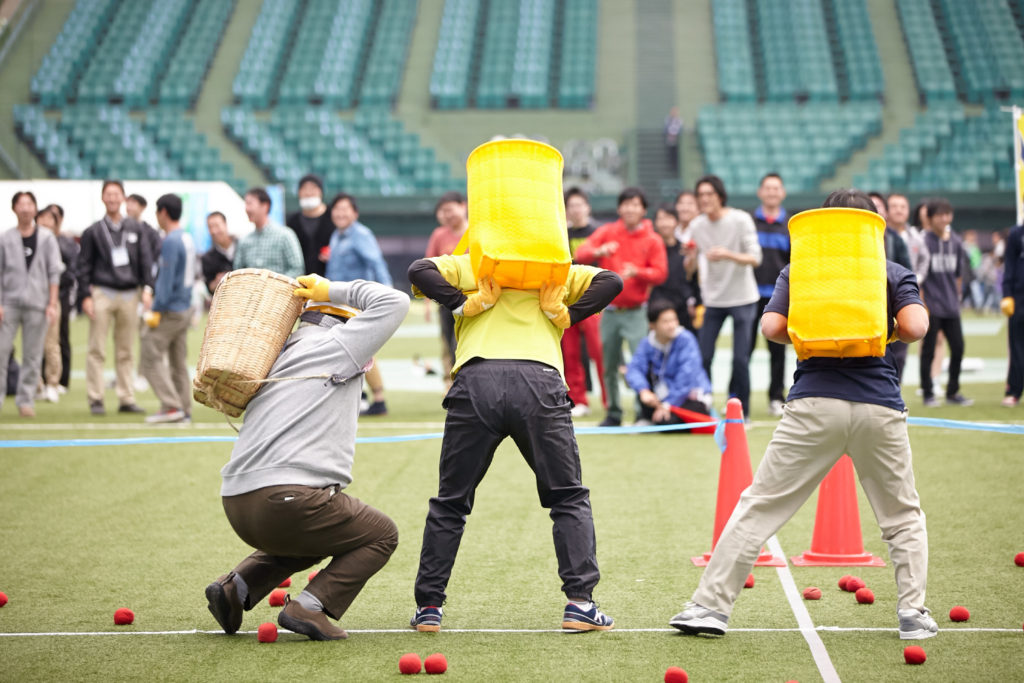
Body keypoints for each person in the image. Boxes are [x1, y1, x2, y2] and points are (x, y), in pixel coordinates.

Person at [668, 189, 937, 642]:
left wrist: (818, 330)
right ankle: (912, 613)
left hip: (814, 402)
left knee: (759, 506)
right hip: (878, 404)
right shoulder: (892, 273)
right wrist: (873, 333)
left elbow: (771, 328)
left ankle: (710, 608)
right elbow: (915, 327)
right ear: (873, 228)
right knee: (902, 516)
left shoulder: (801, 273)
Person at [406, 250, 622, 633]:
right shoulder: (553, 267)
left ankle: (429, 607)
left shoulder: (473, 263)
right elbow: (612, 281)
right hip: (539, 380)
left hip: (476, 379)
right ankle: (580, 604)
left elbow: (419, 270)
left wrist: (462, 304)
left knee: (451, 501)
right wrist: (568, 315)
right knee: (567, 496)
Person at [204, 273, 409, 641]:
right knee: (381, 534)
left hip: (237, 503)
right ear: (348, 322)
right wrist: (332, 290)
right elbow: (396, 301)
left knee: (318, 534)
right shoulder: (338, 345)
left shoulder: (278, 356)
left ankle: (237, 586)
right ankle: (309, 607)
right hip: (285, 502)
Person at [575, 187, 668, 426]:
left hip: (637, 312)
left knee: (640, 362)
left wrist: (639, 272)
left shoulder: (652, 239)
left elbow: (660, 273)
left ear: (643, 209)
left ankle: (641, 412)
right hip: (609, 310)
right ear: (619, 208)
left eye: (635, 204)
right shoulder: (607, 232)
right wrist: (599, 250)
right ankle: (614, 412)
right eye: (626, 204)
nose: (630, 208)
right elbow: (581, 252)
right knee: (608, 362)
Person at [687, 175, 762, 417]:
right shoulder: (697, 226)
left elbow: (755, 258)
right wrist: (689, 259)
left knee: (740, 359)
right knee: (704, 356)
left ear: (720, 196)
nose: (705, 199)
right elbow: (692, 267)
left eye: (709, 194)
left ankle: (742, 412)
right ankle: (705, 409)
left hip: (743, 297)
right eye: (701, 195)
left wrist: (728, 254)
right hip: (713, 299)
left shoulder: (740, 219)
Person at [76, 180, 153, 415]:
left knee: (126, 349)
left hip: (130, 294)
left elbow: (145, 260)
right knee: (96, 348)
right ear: (102, 198)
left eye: (116, 194)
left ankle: (126, 398)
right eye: (108, 194)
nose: (112, 198)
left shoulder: (136, 229)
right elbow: (83, 265)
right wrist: (85, 296)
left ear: (123, 198)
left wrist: (148, 288)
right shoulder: (93, 231)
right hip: (102, 292)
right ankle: (96, 398)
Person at [324, 193, 393, 416]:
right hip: (340, 302)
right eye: (337, 209)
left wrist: (387, 294)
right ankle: (361, 396)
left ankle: (379, 400)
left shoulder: (361, 235)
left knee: (362, 350)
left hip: (358, 302)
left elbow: (376, 263)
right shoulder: (336, 235)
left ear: (355, 213)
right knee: (349, 349)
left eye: (345, 209)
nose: (340, 213)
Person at [0, 192, 61, 417]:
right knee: (2, 351)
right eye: (21, 204)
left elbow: (54, 272)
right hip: (9, 302)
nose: (25, 209)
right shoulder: (5, 238)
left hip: (38, 302)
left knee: (33, 354)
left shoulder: (46, 238)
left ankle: (25, 400)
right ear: (14, 208)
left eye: (29, 204)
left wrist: (52, 303)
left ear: (35, 209)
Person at [141, 194, 195, 424]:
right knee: (177, 361)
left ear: (163, 212)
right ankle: (184, 407)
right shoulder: (187, 238)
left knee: (149, 353)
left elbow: (165, 279)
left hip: (171, 308)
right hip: (185, 306)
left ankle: (171, 406)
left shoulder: (171, 241)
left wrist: (155, 307)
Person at [919, 198, 972, 407]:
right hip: (932, 306)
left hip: (951, 307)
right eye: (939, 214)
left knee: (958, 348)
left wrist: (957, 298)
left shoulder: (956, 242)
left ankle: (952, 391)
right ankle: (928, 392)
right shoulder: (924, 242)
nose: (944, 218)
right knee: (929, 351)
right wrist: (922, 304)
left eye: (947, 214)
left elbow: (959, 275)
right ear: (930, 218)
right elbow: (919, 276)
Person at [625, 300, 711, 427]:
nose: (671, 325)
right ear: (652, 325)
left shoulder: (686, 340)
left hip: (688, 397)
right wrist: (644, 391)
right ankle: (647, 416)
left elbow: (686, 378)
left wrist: (668, 404)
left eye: (674, 320)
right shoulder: (647, 343)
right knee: (643, 383)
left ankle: (658, 419)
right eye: (665, 322)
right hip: (662, 397)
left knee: (668, 421)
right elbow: (634, 369)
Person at [561, 186, 606, 417]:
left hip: (594, 302)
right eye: (571, 206)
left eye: (580, 205)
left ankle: (609, 399)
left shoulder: (599, 233)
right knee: (569, 353)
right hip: (567, 300)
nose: (576, 210)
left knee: (599, 351)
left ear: (587, 207)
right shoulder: (560, 235)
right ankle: (578, 401)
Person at [750, 174, 790, 416]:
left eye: (776, 188)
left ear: (782, 193)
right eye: (768, 188)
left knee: (778, 350)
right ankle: (738, 396)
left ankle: (776, 397)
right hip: (750, 295)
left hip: (778, 297)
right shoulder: (748, 222)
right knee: (744, 349)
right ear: (760, 192)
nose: (772, 192)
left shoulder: (790, 225)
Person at [425, 191, 468, 384]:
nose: (448, 215)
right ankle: (450, 383)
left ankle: (467, 381)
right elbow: (427, 268)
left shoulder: (476, 231)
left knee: (465, 342)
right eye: (444, 211)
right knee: (447, 342)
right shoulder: (439, 235)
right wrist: (427, 302)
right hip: (445, 301)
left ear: (463, 206)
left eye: (451, 209)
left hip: (472, 299)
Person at [37, 204, 77, 401]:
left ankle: (57, 381)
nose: (45, 222)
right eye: (42, 218)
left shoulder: (63, 243)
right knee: (33, 343)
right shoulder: (28, 240)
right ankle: (36, 384)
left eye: (49, 218)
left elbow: (66, 272)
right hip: (32, 298)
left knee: (56, 340)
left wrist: (56, 295)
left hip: (57, 296)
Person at [234, 187, 304, 279]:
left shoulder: (285, 235)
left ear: (265, 206)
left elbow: (297, 269)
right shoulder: (244, 241)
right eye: (246, 204)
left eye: (250, 203)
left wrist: (274, 284)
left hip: (279, 292)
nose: (247, 208)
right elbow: (237, 272)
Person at [650, 204, 697, 332]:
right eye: (661, 219)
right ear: (655, 223)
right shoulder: (649, 248)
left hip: (680, 306)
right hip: (656, 306)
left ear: (676, 222)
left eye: (668, 218)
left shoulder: (684, 248)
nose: (665, 223)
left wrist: (692, 258)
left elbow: (690, 276)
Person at [285, 174, 334, 276]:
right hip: (300, 280)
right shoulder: (292, 221)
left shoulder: (333, 217)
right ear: (299, 193)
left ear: (320, 191)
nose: (308, 193)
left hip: (330, 280)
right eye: (304, 189)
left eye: (313, 188)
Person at [1002, 222, 1023, 407]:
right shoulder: (1017, 233)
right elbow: (1009, 264)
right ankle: (1014, 390)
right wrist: (1007, 294)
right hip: (1019, 297)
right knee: (1016, 346)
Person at [126, 193, 162, 279]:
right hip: (124, 279)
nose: (129, 206)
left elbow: (156, 257)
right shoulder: (120, 229)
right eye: (127, 203)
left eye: (133, 203)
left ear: (143, 207)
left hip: (143, 280)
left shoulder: (151, 232)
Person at [201, 211, 235, 294]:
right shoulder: (207, 258)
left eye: (216, 225)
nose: (214, 231)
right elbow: (209, 287)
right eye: (210, 227)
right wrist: (217, 282)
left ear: (225, 224)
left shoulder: (242, 246)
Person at [664, 106, 683, 175]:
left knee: (676, 154)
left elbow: (680, 129)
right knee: (671, 153)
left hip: (676, 141)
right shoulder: (668, 120)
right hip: (670, 140)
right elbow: (666, 129)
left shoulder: (679, 120)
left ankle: (675, 167)